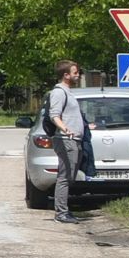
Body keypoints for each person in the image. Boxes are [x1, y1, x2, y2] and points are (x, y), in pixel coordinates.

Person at [44, 60, 91, 221]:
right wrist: (65, 128)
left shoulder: (68, 91)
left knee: (69, 176)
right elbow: (54, 115)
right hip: (65, 139)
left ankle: (64, 210)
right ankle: (61, 213)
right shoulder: (59, 92)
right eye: (75, 72)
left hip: (72, 139)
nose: (78, 75)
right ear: (66, 75)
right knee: (65, 176)